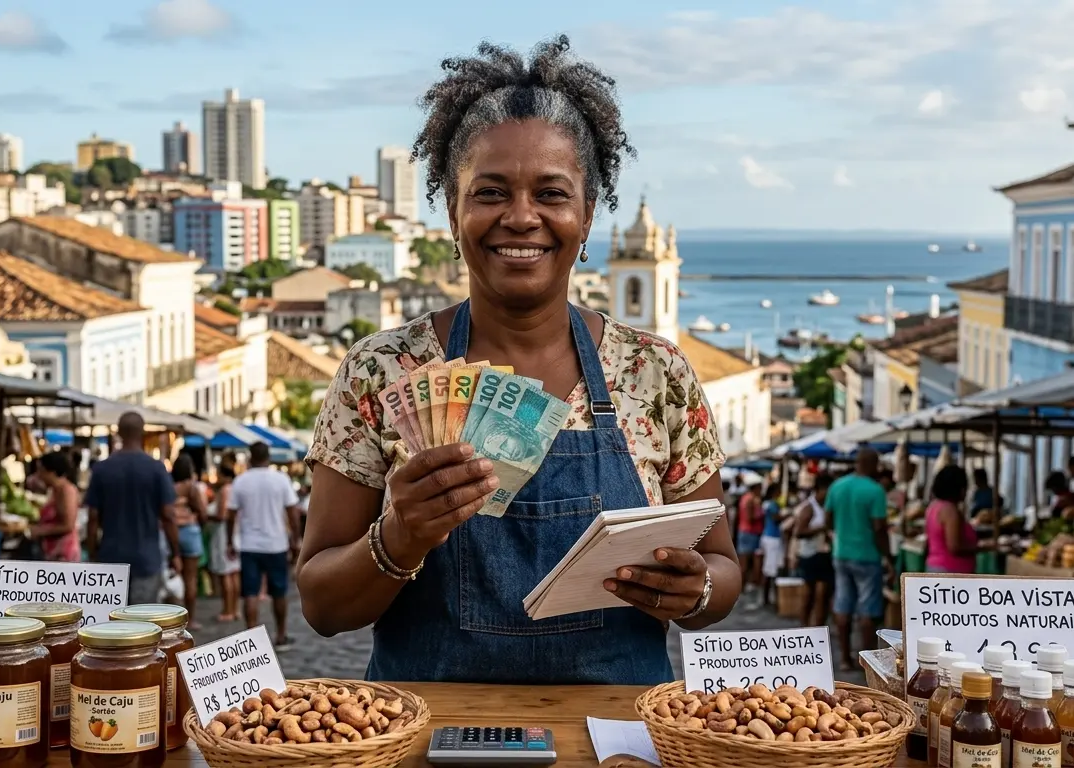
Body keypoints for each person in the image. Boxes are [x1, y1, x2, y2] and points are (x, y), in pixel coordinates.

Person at [295, 36, 741, 685]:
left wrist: (696, 589)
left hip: (612, 741)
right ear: (454, 212)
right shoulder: (381, 372)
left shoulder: (656, 375)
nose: (522, 216)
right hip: (428, 738)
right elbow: (322, 607)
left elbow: (723, 569)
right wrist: (399, 537)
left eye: (552, 194)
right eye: (491, 192)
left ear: (587, 216)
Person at [84, 412, 180, 605]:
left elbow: (93, 516)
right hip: (146, 557)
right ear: (142, 432)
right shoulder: (156, 469)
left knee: (111, 621)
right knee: (142, 623)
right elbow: (168, 515)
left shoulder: (102, 469)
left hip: (111, 556)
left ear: (118, 432)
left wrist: (93, 550)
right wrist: (176, 553)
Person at [227, 441, 303, 650]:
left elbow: (230, 515)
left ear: (250, 457)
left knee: (250, 592)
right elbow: (293, 512)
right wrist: (295, 539)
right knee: (279, 592)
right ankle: (281, 635)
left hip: (249, 544)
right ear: (268, 457)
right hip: (275, 544)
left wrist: (229, 541)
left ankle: (252, 641)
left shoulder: (241, 481)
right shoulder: (280, 479)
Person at [826, 448, 891, 671]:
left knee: (843, 605)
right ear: (873, 464)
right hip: (867, 555)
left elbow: (828, 520)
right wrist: (888, 557)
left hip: (841, 554)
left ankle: (844, 659)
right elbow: (879, 528)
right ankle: (867, 664)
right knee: (867, 610)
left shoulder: (837, 486)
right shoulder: (875, 491)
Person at [171, 454, 208, 630]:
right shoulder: (192, 487)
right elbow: (203, 512)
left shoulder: (168, 486)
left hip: (171, 532)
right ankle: (190, 620)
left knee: (171, 576)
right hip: (190, 531)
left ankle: (171, 620)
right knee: (190, 579)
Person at [794, 472, 835, 627]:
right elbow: (799, 532)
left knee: (823, 596)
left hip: (823, 554)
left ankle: (819, 629)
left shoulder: (826, 506)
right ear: (820, 489)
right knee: (809, 595)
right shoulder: (809, 508)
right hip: (809, 555)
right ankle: (805, 629)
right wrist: (820, 529)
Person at [925, 465, 979, 574]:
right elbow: (955, 547)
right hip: (950, 571)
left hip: (936, 566)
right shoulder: (950, 511)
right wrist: (983, 547)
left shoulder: (933, 507)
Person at [29, 451, 80, 562]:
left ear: (51, 471)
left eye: (41, 470)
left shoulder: (67, 491)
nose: (38, 475)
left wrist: (40, 531)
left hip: (63, 554)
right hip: (51, 552)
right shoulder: (54, 491)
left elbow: (68, 525)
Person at [207, 463, 241, 622]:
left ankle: (228, 610)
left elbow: (221, 515)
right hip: (236, 532)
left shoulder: (224, 490)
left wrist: (205, 517)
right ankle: (235, 609)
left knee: (226, 573)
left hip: (223, 533)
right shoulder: (236, 488)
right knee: (234, 573)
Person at [757, 483, 784, 609]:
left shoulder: (767, 504)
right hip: (772, 538)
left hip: (768, 536)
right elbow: (776, 518)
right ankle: (767, 598)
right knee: (770, 570)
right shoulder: (773, 505)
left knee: (768, 568)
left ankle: (766, 597)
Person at [736, 483, 764, 595]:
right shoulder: (751, 500)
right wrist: (761, 514)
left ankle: (742, 587)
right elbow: (750, 517)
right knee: (747, 563)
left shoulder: (744, 498)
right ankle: (742, 587)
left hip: (743, 531)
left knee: (744, 563)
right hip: (750, 533)